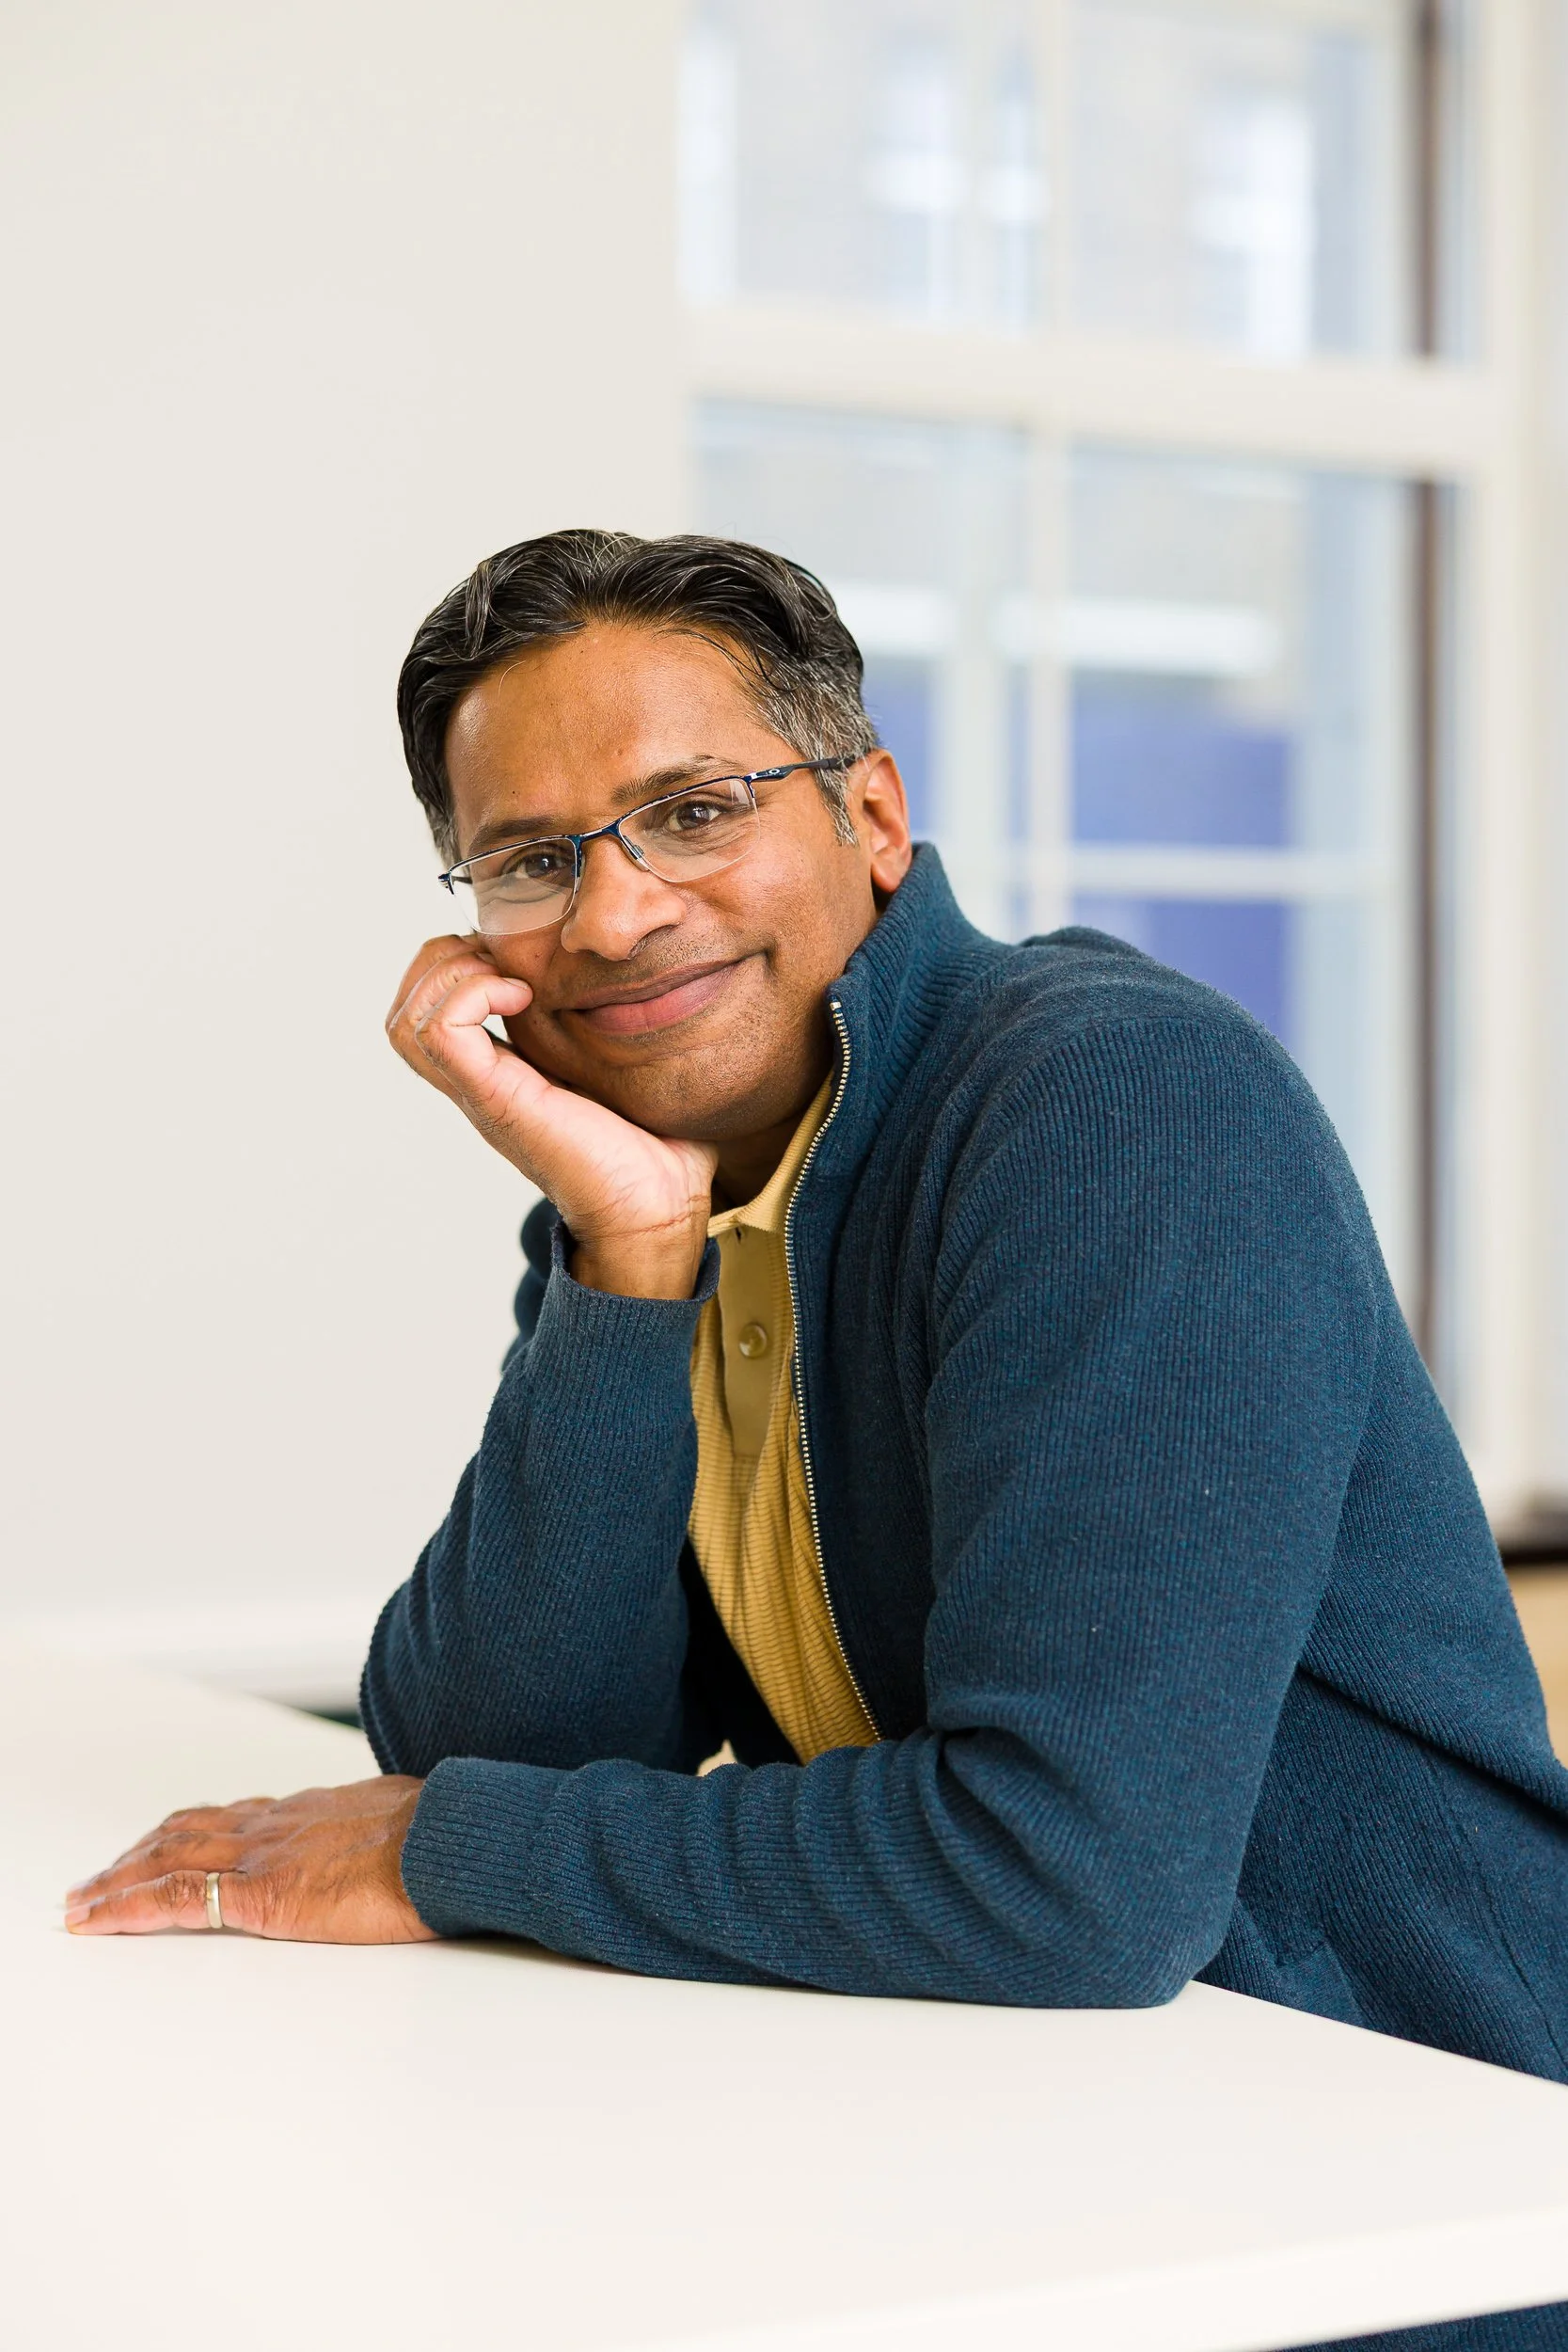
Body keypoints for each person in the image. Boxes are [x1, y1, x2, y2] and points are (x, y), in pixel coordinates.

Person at [66, 532, 1568, 2346]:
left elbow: (1063, 1882)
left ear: (868, 814)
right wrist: (623, 1261)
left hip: (1417, 2195)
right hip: (1051, 2145)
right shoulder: (676, 1188)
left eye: (691, 810)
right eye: (534, 861)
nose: (613, 916)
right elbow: (489, 1742)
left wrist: (450, 1852)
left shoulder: (1107, 1103)